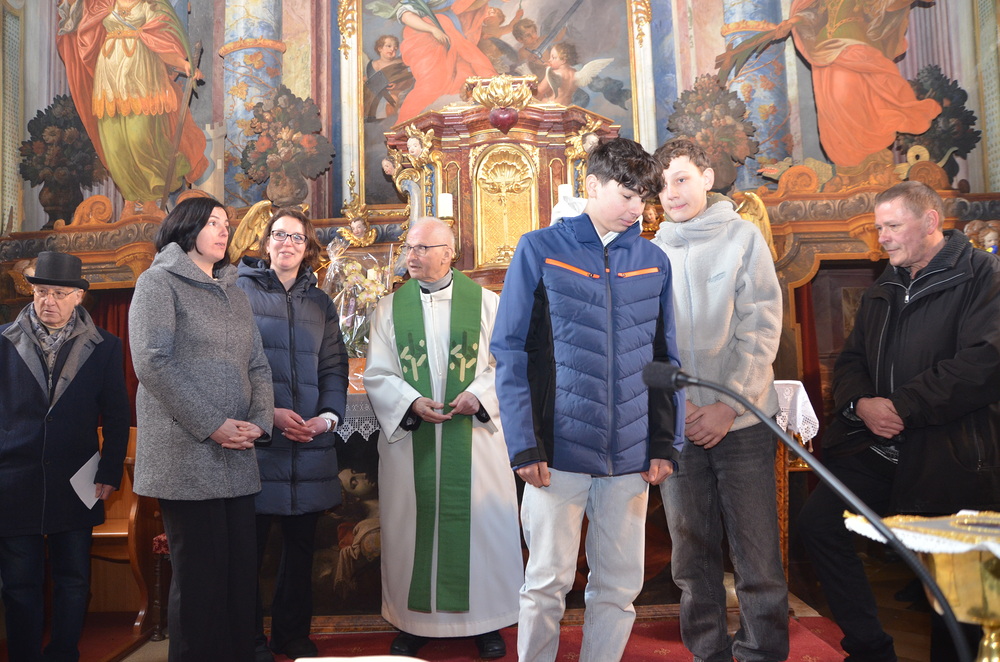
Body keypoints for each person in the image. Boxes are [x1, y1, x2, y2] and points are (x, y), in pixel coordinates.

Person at [491, 137, 685, 662]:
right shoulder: (540, 249)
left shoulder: (653, 260)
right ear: (592, 186)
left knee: (619, 588)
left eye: (643, 198)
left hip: (630, 454)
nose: (637, 209)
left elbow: (665, 357)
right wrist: (525, 445)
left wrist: (665, 443)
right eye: (627, 195)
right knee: (546, 583)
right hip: (558, 450)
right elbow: (510, 350)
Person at [797, 181, 1000, 662]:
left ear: (930, 222)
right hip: (880, 447)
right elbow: (852, 360)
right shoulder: (886, 284)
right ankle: (871, 649)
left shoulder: (983, 275)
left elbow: (984, 362)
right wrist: (861, 402)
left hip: (951, 453)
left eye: (892, 226)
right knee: (819, 525)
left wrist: (902, 405)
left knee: (953, 590)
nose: (881, 237)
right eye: (878, 227)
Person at [651, 138, 788, 662]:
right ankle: (707, 651)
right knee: (692, 558)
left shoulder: (742, 237)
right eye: (661, 184)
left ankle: (760, 653)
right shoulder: (651, 252)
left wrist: (730, 405)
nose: (671, 192)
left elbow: (760, 327)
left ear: (707, 178)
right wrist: (678, 408)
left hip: (743, 423)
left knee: (756, 556)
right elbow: (648, 340)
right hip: (681, 425)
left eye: (682, 179)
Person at [364, 217, 522, 659]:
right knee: (411, 528)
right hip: (413, 442)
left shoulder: (487, 303)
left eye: (422, 248)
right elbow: (377, 373)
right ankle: (414, 622)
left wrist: (477, 394)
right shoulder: (389, 309)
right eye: (408, 248)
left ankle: (486, 622)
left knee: (482, 528)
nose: (411, 256)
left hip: (474, 440)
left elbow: (507, 364)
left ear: (448, 253)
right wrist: (411, 401)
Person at [129, 195, 274, 662]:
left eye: (226, 223)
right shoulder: (157, 282)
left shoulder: (234, 290)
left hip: (238, 454)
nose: (224, 230)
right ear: (187, 227)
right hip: (186, 456)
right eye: (213, 222)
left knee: (238, 580)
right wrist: (213, 425)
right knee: (199, 585)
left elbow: (258, 365)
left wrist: (259, 424)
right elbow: (152, 362)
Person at [0, 251, 130, 662]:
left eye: (58, 293)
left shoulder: (106, 346)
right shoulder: (3, 340)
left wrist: (110, 469)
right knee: (18, 583)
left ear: (78, 297)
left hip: (78, 478)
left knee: (73, 579)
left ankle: (63, 654)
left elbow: (117, 414)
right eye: (41, 291)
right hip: (13, 477)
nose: (48, 301)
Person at [237, 208, 349, 661]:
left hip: (309, 444)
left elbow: (334, 367)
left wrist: (328, 417)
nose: (287, 244)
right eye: (280, 235)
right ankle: (249, 639)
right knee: (249, 552)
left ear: (308, 249)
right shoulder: (237, 291)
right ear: (266, 242)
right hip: (256, 444)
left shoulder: (320, 303)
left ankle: (292, 635)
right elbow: (228, 368)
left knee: (301, 549)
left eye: (297, 238)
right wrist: (269, 414)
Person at [56, 0, 208, 215]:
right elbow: (78, 24)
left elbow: (161, 43)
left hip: (143, 77)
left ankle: (152, 198)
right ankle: (130, 199)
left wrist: (184, 65)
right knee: (115, 143)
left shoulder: (151, 6)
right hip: (109, 78)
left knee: (141, 138)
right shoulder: (102, 4)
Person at [391, 0, 497, 123]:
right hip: (427, 39)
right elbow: (406, 15)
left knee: (465, 73)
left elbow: (464, 7)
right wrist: (432, 29)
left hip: (452, 36)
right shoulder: (419, 6)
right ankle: (405, 125)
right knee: (431, 84)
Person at [363, 35, 415, 121]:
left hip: (400, 91)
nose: (392, 49)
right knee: (391, 101)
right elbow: (371, 82)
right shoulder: (375, 65)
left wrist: (397, 85)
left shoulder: (400, 62)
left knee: (395, 99)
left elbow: (408, 77)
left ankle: (394, 121)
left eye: (395, 48)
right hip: (380, 95)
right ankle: (390, 121)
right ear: (380, 48)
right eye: (389, 46)